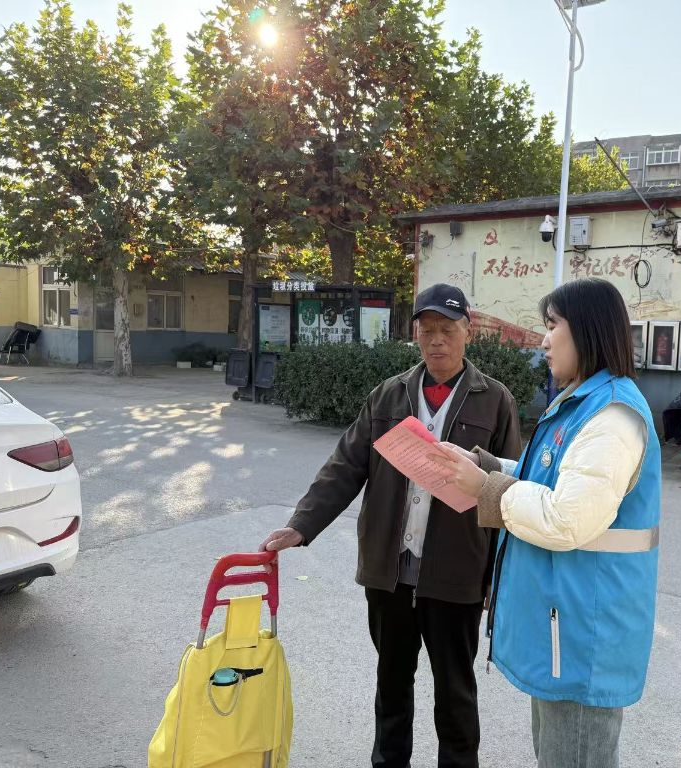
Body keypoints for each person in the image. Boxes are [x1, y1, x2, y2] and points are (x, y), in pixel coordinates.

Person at [259, 283, 521, 768]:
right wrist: (302, 524)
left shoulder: (494, 401)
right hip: (389, 573)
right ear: (415, 334)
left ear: (468, 332)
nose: (436, 340)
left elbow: (509, 492)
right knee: (391, 685)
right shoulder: (388, 395)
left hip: (457, 575)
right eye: (427, 330)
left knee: (455, 693)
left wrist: (496, 581)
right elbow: (345, 465)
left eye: (447, 330)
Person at [431, 278, 660, 768]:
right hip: (570, 625)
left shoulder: (612, 418)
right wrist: (486, 466)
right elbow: (549, 478)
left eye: (553, 325)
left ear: (588, 330)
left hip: (584, 636)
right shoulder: (583, 403)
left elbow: (565, 518)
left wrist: (486, 488)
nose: (543, 339)